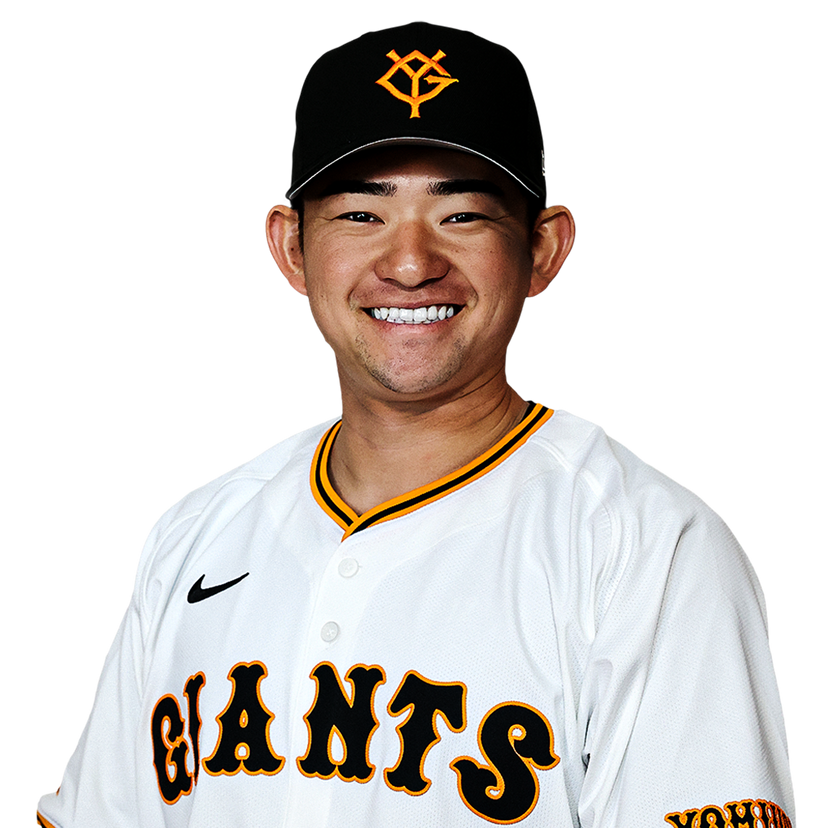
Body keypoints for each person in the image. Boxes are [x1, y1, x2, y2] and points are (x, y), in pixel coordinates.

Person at [34, 20, 797, 827]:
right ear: (289, 247)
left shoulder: (647, 546)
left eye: (461, 215)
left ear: (544, 248)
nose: (409, 263)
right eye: (361, 215)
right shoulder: (194, 531)